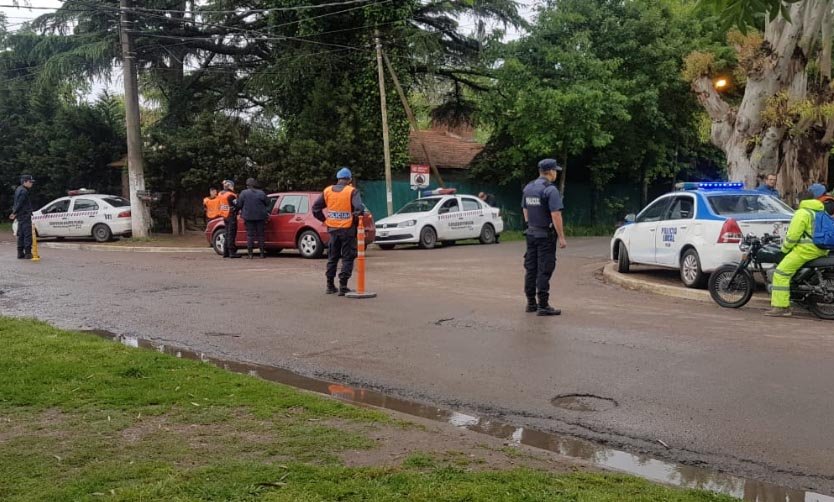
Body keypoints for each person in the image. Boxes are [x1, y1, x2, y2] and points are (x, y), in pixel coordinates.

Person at [766, 183, 830, 317]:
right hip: (821, 248)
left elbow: (793, 235)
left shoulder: (802, 213)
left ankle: (782, 307)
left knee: (781, 273)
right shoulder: (819, 210)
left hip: (806, 249)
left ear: (801, 201)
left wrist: (784, 249)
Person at [522, 159, 567, 316]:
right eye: (556, 171)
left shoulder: (529, 187)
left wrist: (530, 225)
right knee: (544, 269)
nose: (556, 173)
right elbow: (555, 214)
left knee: (531, 268)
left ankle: (531, 303)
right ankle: (543, 305)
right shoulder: (550, 190)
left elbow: (525, 210)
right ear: (550, 172)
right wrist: (561, 237)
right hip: (545, 236)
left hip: (531, 233)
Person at [312, 167, 365, 296]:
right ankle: (343, 286)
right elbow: (359, 209)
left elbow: (315, 208)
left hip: (333, 229)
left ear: (338, 178)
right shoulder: (352, 191)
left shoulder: (327, 191)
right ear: (349, 179)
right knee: (348, 257)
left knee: (332, 257)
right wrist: (354, 221)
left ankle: (330, 285)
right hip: (347, 230)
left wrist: (324, 220)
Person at [237, 178, 269, 259]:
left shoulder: (244, 193)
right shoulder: (261, 193)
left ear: (247, 185)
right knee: (261, 235)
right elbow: (267, 203)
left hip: (248, 217)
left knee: (250, 235)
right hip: (260, 217)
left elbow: (239, 204)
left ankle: (250, 254)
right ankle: (262, 253)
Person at [9, 174, 35, 259]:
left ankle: (20, 253)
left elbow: (16, 203)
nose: (31, 183)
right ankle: (28, 253)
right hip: (25, 215)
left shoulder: (18, 189)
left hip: (20, 215)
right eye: (30, 182)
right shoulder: (24, 191)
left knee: (21, 234)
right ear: (25, 182)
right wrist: (14, 212)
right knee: (27, 234)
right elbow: (19, 203)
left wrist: (15, 213)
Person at [217, 179, 240, 258]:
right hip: (231, 215)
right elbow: (237, 205)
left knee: (227, 233)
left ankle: (225, 252)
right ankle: (232, 252)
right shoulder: (231, 195)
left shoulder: (220, 193)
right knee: (231, 234)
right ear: (230, 186)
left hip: (224, 215)